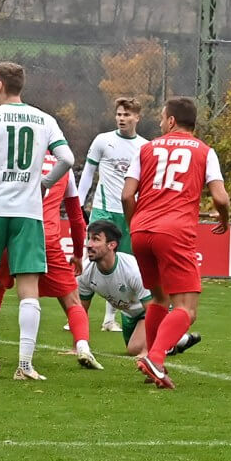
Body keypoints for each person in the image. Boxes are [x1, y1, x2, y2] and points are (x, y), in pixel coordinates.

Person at [0, 62, 74, 381]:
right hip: (28, 211)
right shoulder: (45, 119)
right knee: (29, 289)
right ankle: (25, 365)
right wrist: (43, 184)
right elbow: (67, 159)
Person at [122, 97, 229, 389]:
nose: (159, 123)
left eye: (161, 118)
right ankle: (155, 358)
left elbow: (126, 195)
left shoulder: (145, 148)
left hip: (142, 231)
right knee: (187, 309)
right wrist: (224, 219)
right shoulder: (205, 152)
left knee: (159, 298)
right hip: (175, 232)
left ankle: (152, 358)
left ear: (171, 121)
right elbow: (220, 197)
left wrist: (134, 224)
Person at [0, 152, 102, 370]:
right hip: (44, 236)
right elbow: (76, 218)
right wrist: (78, 253)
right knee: (71, 299)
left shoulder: (15, 161)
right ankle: (82, 347)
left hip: (8, 232)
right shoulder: (64, 168)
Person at [77, 220, 200, 357]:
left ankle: (169, 340)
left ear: (112, 245)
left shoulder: (132, 270)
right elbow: (81, 310)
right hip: (129, 313)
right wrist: (78, 346)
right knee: (134, 349)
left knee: (136, 349)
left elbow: (154, 306)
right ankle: (181, 340)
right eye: (89, 238)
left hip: (153, 309)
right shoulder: (85, 271)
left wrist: (147, 351)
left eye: (95, 239)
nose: (89, 244)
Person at [77, 97, 149, 333]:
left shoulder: (145, 147)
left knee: (124, 263)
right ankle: (77, 315)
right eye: (119, 114)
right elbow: (88, 173)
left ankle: (110, 318)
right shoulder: (103, 141)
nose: (121, 119)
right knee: (93, 258)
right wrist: (79, 203)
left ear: (137, 117)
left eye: (127, 115)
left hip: (129, 212)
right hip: (103, 209)